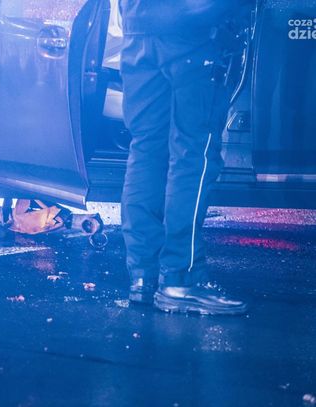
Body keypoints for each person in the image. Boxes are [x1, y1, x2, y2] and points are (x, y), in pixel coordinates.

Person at [119, 0, 250, 315]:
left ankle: (144, 276)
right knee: (192, 157)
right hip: (194, 33)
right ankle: (182, 279)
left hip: (139, 33)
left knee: (146, 151)